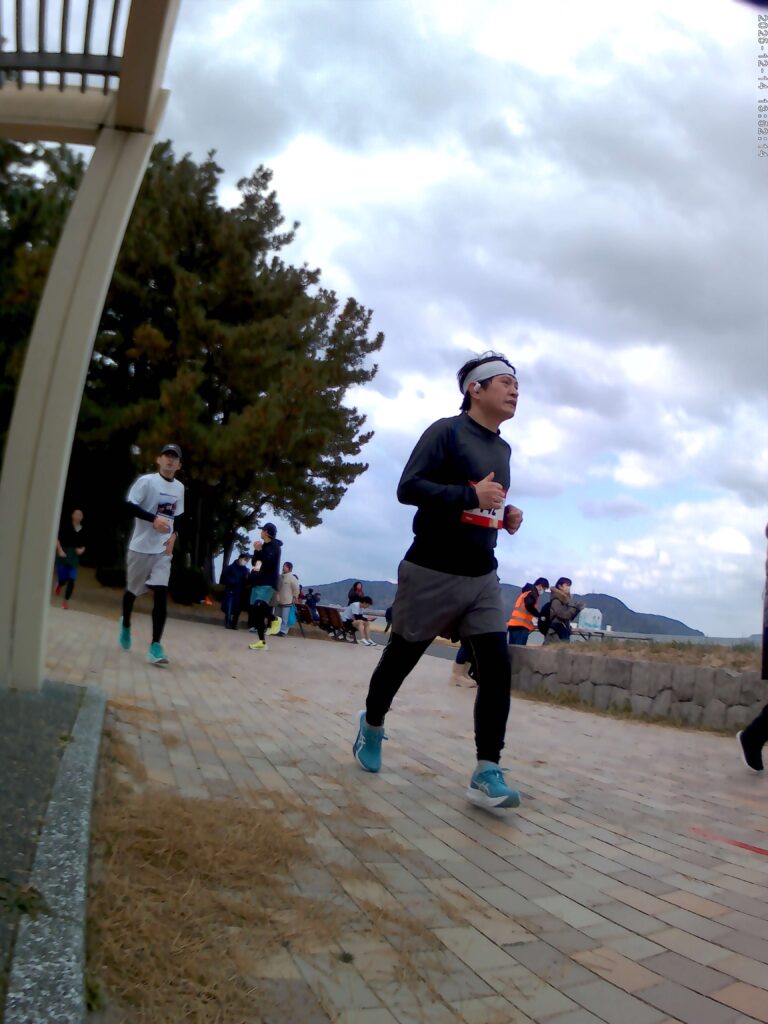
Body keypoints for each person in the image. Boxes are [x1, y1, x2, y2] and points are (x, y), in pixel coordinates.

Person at [352, 350, 524, 810]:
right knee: (401, 658)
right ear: (475, 389)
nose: (515, 390)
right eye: (505, 382)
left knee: (497, 668)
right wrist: (470, 494)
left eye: (517, 384)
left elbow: (483, 502)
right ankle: (371, 725)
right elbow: (408, 488)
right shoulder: (445, 432)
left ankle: (486, 771)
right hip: (431, 567)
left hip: (482, 574)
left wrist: (505, 514)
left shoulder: (503, 448)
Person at [119, 444, 184, 665]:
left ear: (179, 465)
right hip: (140, 547)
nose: (170, 460)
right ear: (159, 459)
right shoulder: (146, 482)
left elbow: (179, 515)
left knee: (161, 593)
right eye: (167, 456)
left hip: (163, 549)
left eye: (174, 458)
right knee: (132, 592)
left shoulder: (179, 488)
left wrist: (174, 536)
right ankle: (125, 623)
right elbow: (130, 506)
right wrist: (153, 519)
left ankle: (155, 646)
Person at [247, 523, 282, 651]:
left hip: (268, 582)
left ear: (266, 532)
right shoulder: (263, 546)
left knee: (259, 605)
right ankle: (262, 642)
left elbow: (269, 561)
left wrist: (260, 550)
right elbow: (255, 563)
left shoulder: (275, 546)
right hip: (258, 581)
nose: (260, 532)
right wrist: (256, 551)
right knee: (257, 612)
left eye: (262, 530)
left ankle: (275, 619)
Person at [54, 508, 86, 608]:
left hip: (74, 556)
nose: (78, 516)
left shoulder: (83, 530)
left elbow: (85, 544)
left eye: (80, 515)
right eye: (76, 514)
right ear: (72, 516)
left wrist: (81, 550)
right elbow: (57, 539)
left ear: (82, 517)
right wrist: (60, 551)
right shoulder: (65, 527)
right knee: (63, 579)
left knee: (72, 579)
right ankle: (59, 584)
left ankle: (65, 602)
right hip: (64, 553)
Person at [507, 577, 549, 645]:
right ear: (540, 586)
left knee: (513, 649)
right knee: (520, 649)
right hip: (521, 626)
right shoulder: (532, 593)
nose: (543, 591)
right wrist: (538, 615)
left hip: (513, 624)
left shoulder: (525, 593)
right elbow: (529, 605)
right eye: (544, 588)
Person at [544, 577, 584, 643]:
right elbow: (564, 615)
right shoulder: (556, 600)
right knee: (557, 648)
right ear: (560, 586)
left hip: (561, 630)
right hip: (555, 632)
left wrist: (577, 609)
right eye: (566, 585)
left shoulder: (564, 601)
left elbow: (569, 617)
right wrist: (575, 608)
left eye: (569, 586)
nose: (568, 588)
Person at [221, 552, 249, 629]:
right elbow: (225, 578)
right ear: (240, 558)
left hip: (239, 591)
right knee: (229, 607)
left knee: (236, 609)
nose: (245, 561)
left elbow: (246, 581)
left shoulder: (245, 570)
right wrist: (234, 582)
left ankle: (234, 624)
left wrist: (247, 579)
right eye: (244, 559)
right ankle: (227, 623)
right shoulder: (231, 567)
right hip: (230, 590)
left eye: (246, 560)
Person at [275, 561, 301, 636]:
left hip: (287, 601)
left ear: (289, 568)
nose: (283, 567)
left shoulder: (292, 578)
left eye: (285, 566)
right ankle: (276, 629)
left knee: (285, 617)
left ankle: (283, 631)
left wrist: (295, 597)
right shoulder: (280, 577)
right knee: (277, 616)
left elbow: (296, 589)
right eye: (283, 566)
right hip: (278, 600)